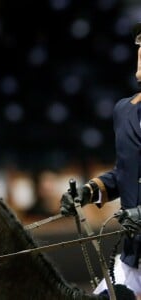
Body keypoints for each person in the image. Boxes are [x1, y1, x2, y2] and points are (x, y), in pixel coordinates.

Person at [60, 22, 141, 299]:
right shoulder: (124, 111)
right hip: (134, 259)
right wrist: (89, 191)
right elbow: (124, 175)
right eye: (140, 46)